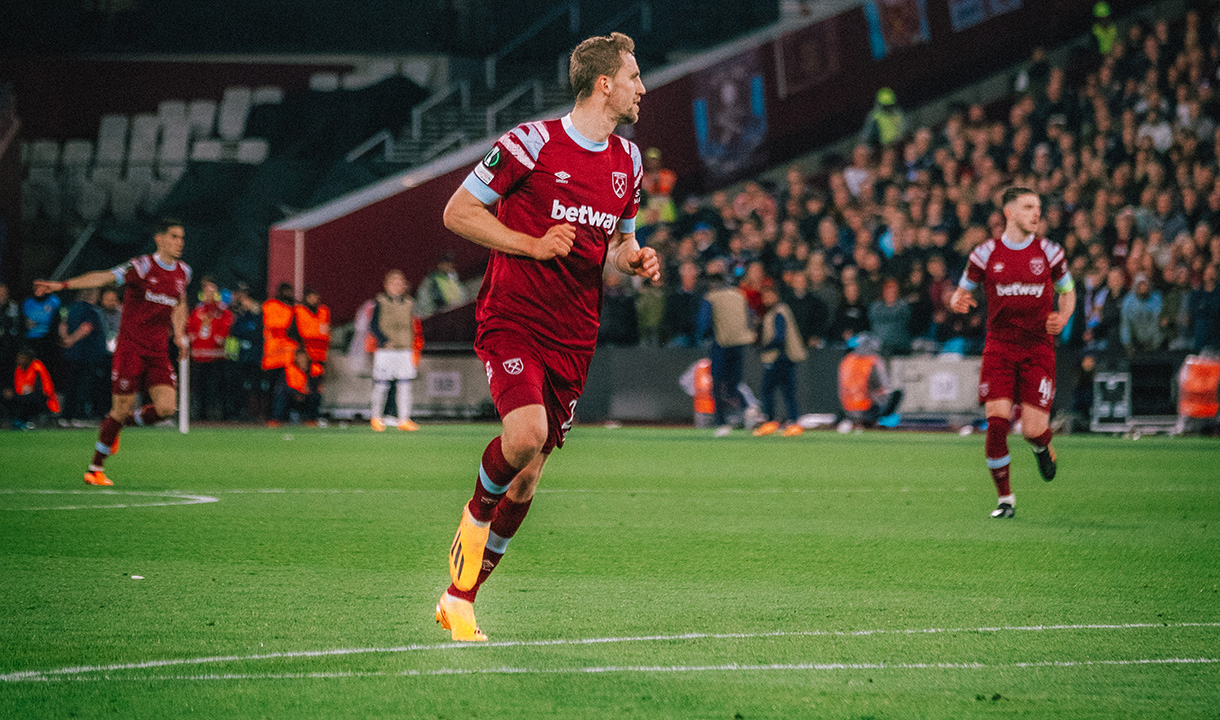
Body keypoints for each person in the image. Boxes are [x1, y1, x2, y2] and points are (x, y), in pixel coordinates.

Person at [437, 31, 656, 642]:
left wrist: (637, 259)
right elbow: (457, 212)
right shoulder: (530, 143)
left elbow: (620, 243)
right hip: (513, 317)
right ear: (604, 83)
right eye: (634, 76)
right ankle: (474, 516)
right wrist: (531, 244)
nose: (643, 87)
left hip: (573, 335)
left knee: (530, 474)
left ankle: (461, 595)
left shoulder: (629, 162)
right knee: (525, 434)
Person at [33, 218, 191, 486]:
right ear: (159, 239)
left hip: (158, 351)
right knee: (120, 408)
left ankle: (116, 425)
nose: (179, 243)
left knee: (166, 409)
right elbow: (105, 276)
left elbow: (180, 303)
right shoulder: (141, 267)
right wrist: (62, 285)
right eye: (174, 237)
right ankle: (96, 468)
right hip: (130, 348)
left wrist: (178, 333)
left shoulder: (183, 272)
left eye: (182, 238)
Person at [950, 188, 1074, 519]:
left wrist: (1063, 316)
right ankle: (1005, 500)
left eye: (1038, 207)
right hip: (1000, 347)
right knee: (997, 423)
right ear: (1010, 212)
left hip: (1038, 349)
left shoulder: (1050, 252)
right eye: (1029, 207)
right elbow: (961, 291)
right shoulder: (985, 253)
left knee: (1032, 430)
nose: (1037, 213)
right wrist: (956, 300)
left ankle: (1042, 445)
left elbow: (1068, 291)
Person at [698, 261, 756, 437]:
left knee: (717, 384)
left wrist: (703, 336)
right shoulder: (739, 295)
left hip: (722, 343)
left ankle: (721, 421)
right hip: (740, 343)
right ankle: (748, 409)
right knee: (733, 383)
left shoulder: (711, 297)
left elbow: (704, 323)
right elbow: (750, 317)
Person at [369, 269, 424, 432]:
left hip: (404, 349)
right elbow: (373, 325)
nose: (397, 286)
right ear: (386, 285)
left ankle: (404, 419)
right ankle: (376, 417)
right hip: (386, 350)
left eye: (400, 282)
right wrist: (383, 340)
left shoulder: (409, 303)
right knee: (381, 384)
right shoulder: (380, 302)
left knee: (404, 384)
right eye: (394, 282)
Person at [753, 285, 806, 437]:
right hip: (786, 358)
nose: (766, 299)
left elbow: (779, 338)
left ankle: (770, 421)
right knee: (788, 392)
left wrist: (764, 348)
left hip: (778, 358)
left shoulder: (778, 313)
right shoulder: (779, 311)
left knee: (767, 390)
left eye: (769, 296)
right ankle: (794, 422)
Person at [58, 288, 108, 423]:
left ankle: (66, 416)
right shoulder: (91, 310)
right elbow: (86, 328)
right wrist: (72, 339)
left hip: (71, 354)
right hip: (87, 354)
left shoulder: (69, 308)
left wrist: (65, 338)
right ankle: (78, 416)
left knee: (70, 385)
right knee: (83, 386)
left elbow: (62, 324)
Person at [186, 276, 233, 421]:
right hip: (199, 357)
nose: (209, 294)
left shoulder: (222, 311)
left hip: (216, 357)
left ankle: (221, 416)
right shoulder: (197, 311)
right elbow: (191, 329)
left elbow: (224, 329)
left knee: (218, 388)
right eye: (206, 290)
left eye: (211, 290)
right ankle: (200, 416)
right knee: (199, 389)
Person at [836, 333, 903, 429]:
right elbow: (882, 386)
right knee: (897, 393)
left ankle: (854, 421)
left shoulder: (847, 359)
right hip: (868, 408)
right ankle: (878, 421)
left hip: (847, 408)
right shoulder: (873, 360)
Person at [262, 283, 299, 426]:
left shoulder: (294, 309)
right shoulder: (271, 306)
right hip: (273, 355)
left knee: (285, 388)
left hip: (287, 356)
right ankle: (272, 416)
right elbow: (274, 325)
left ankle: (281, 416)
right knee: (272, 389)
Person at [5, 347, 60, 428]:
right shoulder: (19, 369)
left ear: (28, 359)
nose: (18, 360)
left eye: (22, 358)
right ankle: (17, 421)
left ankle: (23, 421)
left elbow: (43, 390)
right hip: (25, 396)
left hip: (43, 398)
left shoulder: (37, 368)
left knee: (25, 400)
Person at [280, 347, 323, 424]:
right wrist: (296, 393)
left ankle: (311, 420)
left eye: (304, 357)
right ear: (296, 358)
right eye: (300, 357)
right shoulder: (289, 369)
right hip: (293, 395)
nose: (302, 360)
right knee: (281, 395)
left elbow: (315, 386)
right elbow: (285, 386)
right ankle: (277, 420)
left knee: (316, 396)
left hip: (307, 396)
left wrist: (307, 371)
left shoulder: (313, 368)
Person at [295, 287, 331, 372]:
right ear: (306, 298)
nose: (314, 300)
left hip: (321, 354)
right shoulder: (300, 311)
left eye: (315, 297)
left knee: (317, 379)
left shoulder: (323, 311)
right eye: (311, 297)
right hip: (306, 354)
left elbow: (327, 330)